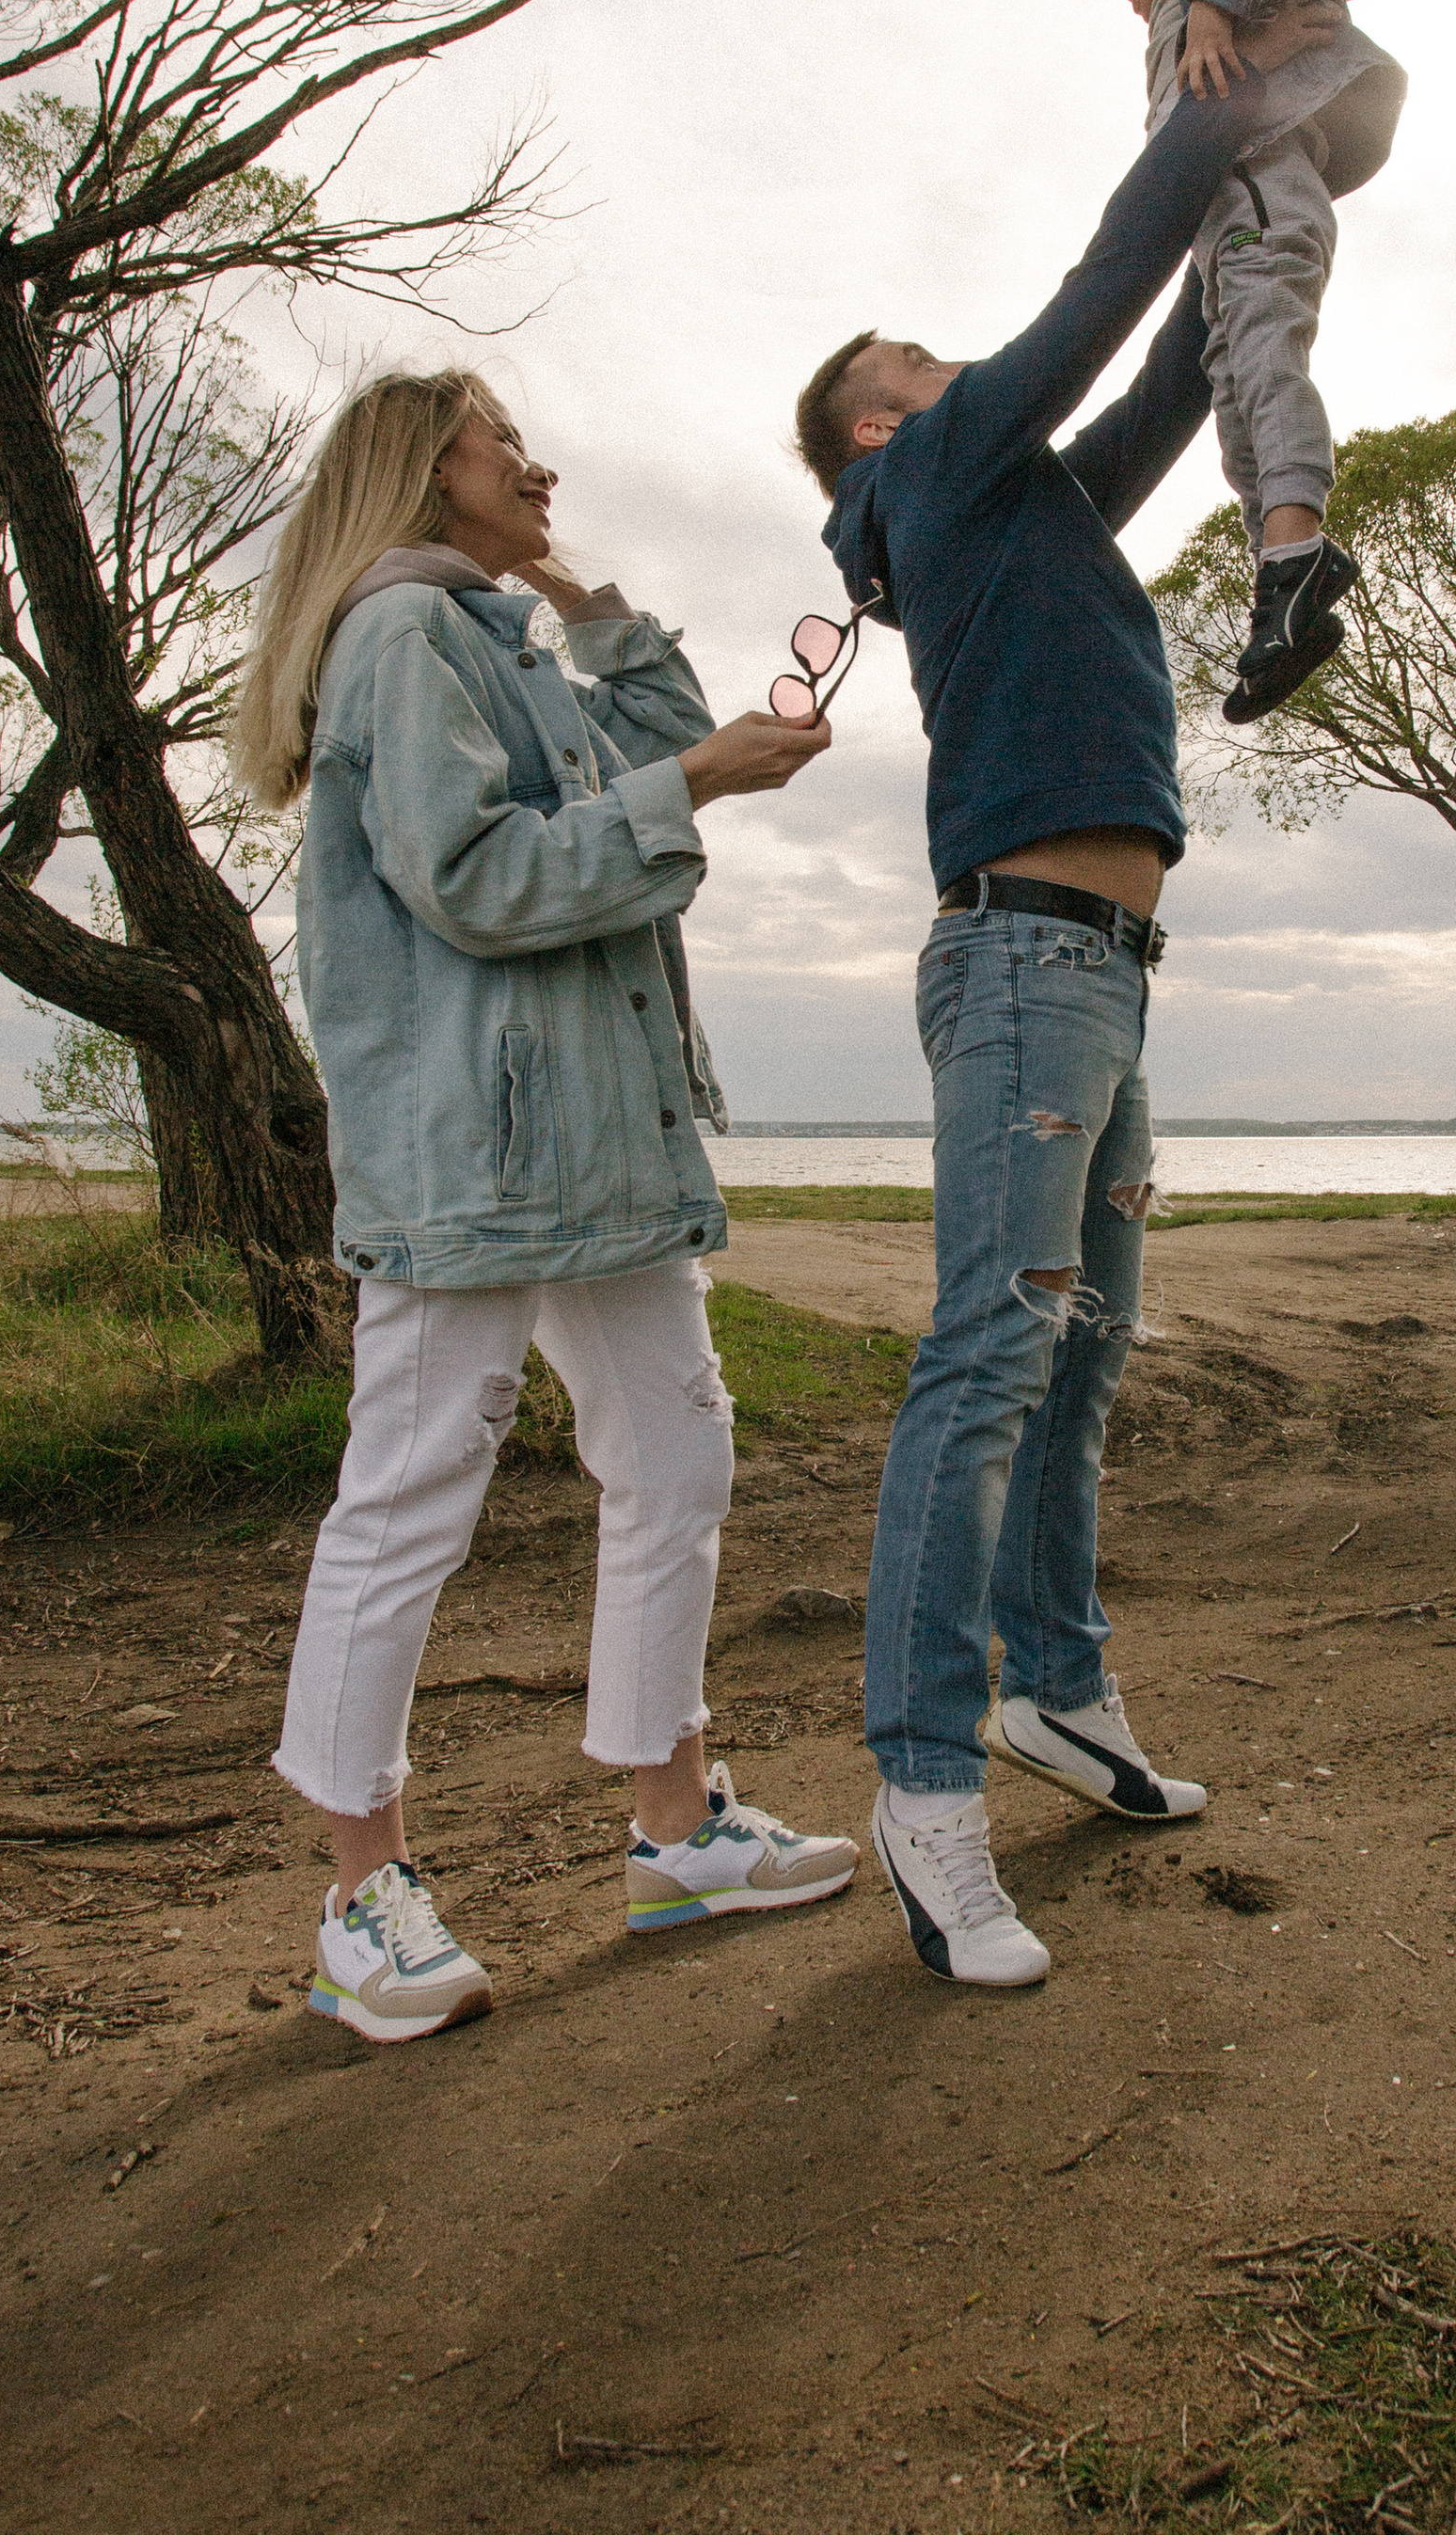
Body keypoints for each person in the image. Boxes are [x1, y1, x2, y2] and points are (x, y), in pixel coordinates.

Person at [790, 0, 1342, 1988]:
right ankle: (924, 1775)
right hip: (1024, 960)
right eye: (918, 365)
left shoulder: (1019, 505)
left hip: (1100, 970)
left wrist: (1268, 208)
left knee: (1084, 1352)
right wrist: (1211, 115)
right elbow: (1092, 303)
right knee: (987, 1360)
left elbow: (1167, 374)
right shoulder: (937, 472)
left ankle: (1057, 1691)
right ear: (880, 426)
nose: (953, 369)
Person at [230, 368, 857, 2042]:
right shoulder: (401, 638)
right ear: (422, 467)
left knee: (677, 1458)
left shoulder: (499, 638)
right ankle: (361, 1899)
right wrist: (692, 782)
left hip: (600, 1146)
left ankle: (678, 1833)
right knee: (410, 1494)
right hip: (476, 1152)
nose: (541, 461)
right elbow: (482, 879)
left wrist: (585, 604)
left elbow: (657, 750)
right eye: (505, 442)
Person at [1087, 0, 1425, 723]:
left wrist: (1211, 9)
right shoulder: (1176, 4)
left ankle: (1298, 550)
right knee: (1233, 389)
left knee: (1267, 357)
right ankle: (1280, 582)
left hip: (1267, 190)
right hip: (1227, 223)